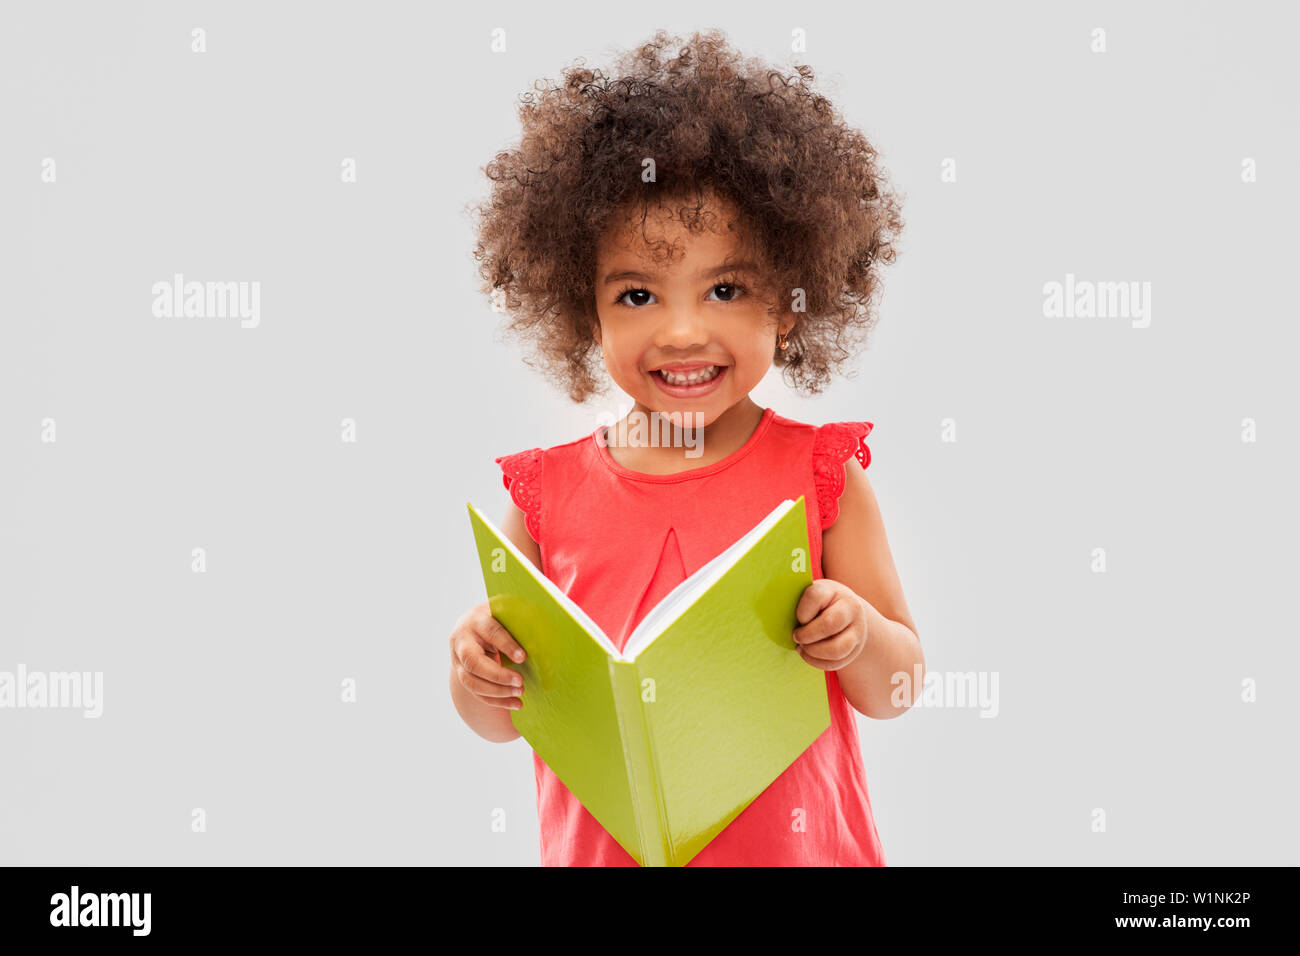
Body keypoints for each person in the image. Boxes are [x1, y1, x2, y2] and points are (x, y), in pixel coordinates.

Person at [450, 28, 923, 866]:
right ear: (584, 312)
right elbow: (501, 720)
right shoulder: (542, 500)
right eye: (636, 293)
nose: (681, 330)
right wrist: (476, 673)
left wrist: (859, 638)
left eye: (727, 289)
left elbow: (899, 689)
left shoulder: (822, 478)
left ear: (788, 305)